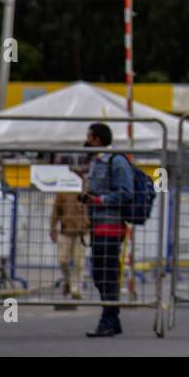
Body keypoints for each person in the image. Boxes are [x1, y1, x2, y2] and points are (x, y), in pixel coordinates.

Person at [79, 122, 133, 337]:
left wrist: (98, 199)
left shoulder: (117, 162)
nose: (87, 140)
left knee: (108, 275)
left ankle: (108, 320)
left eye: (89, 137)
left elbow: (125, 193)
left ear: (97, 139)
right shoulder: (95, 162)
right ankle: (112, 317)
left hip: (111, 227)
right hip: (97, 226)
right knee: (98, 274)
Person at [50, 167, 88, 299]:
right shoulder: (63, 192)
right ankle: (69, 281)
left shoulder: (86, 190)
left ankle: (76, 289)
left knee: (79, 262)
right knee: (62, 260)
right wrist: (53, 228)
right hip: (65, 230)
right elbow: (56, 211)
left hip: (82, 232)